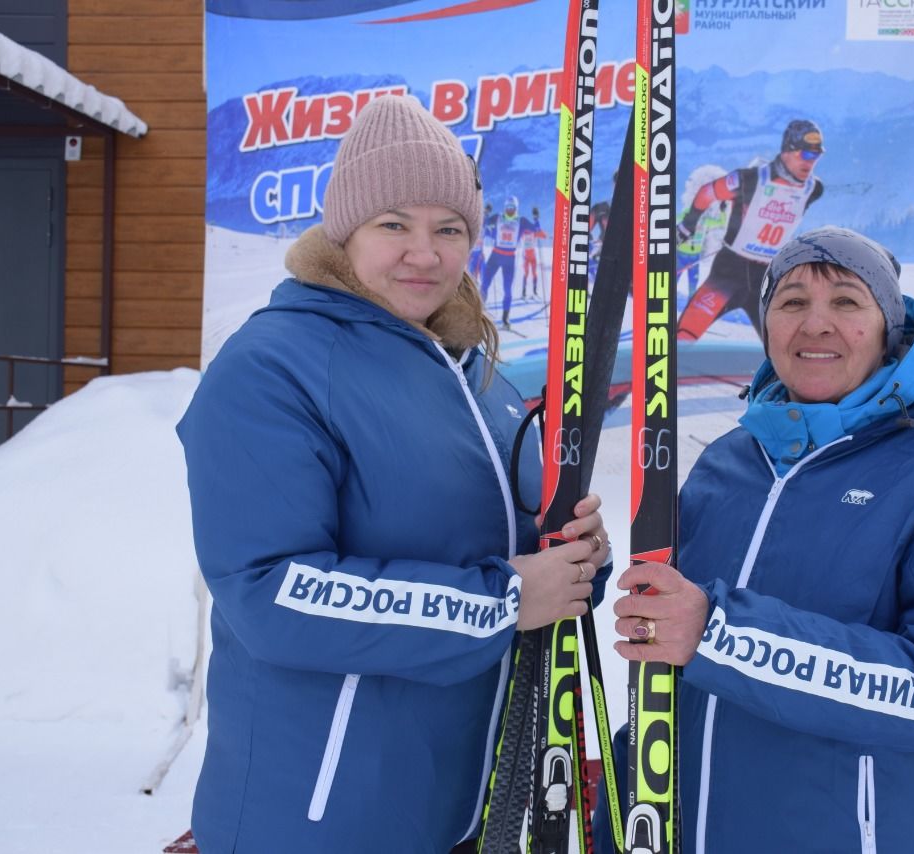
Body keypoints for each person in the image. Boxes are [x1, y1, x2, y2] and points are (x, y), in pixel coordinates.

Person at [177, 95, 612, 854]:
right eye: (395, 225)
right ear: (344, 231)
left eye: (449, 229)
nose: (426, 252)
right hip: (320, 816)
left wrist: (575, 560)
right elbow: (270, 592)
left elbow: (515, 558)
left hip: (466, 806)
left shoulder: (477, 376)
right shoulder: (272, 368)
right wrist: (506, 599)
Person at [606, 227, 914, 853]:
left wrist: (724, 635)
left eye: (846, 301)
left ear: (888, 326)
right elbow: (672, 666)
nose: (816, 324)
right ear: (767, 325)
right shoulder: (730, 461)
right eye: (792, 302)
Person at [675, 118, 826, 341]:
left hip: (766, 277)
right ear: (787, 151)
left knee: (781, 348)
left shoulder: (814, 189)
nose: (810, 162)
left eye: (816, 155)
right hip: (729, 271)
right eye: (805, 154)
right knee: (684, 336)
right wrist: (689, 224)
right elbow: (708, 192)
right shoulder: (750, 179)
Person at [481, 194, 541, 329]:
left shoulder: (522, 221)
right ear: (504, 207)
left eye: (512, 207)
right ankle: (478, 312)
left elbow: (536, 230)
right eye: (507, 207)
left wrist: (536, 218)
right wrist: (486, 213)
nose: (510, 210)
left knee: (507, 289)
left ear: (516, 208)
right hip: (495, 255)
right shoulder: (497, 218)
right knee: (485, 284)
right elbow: (482, 223)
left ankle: (505, 318)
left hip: (509, 258)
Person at [520, 206, 547, 300]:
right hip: (526, 257)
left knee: (534, 274)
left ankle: (535, 291)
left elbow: (543, 234)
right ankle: (524, 292)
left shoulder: (533, 232)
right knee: (526, 273)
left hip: (533, 257)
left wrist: (536, 219)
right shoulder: (523, 232)